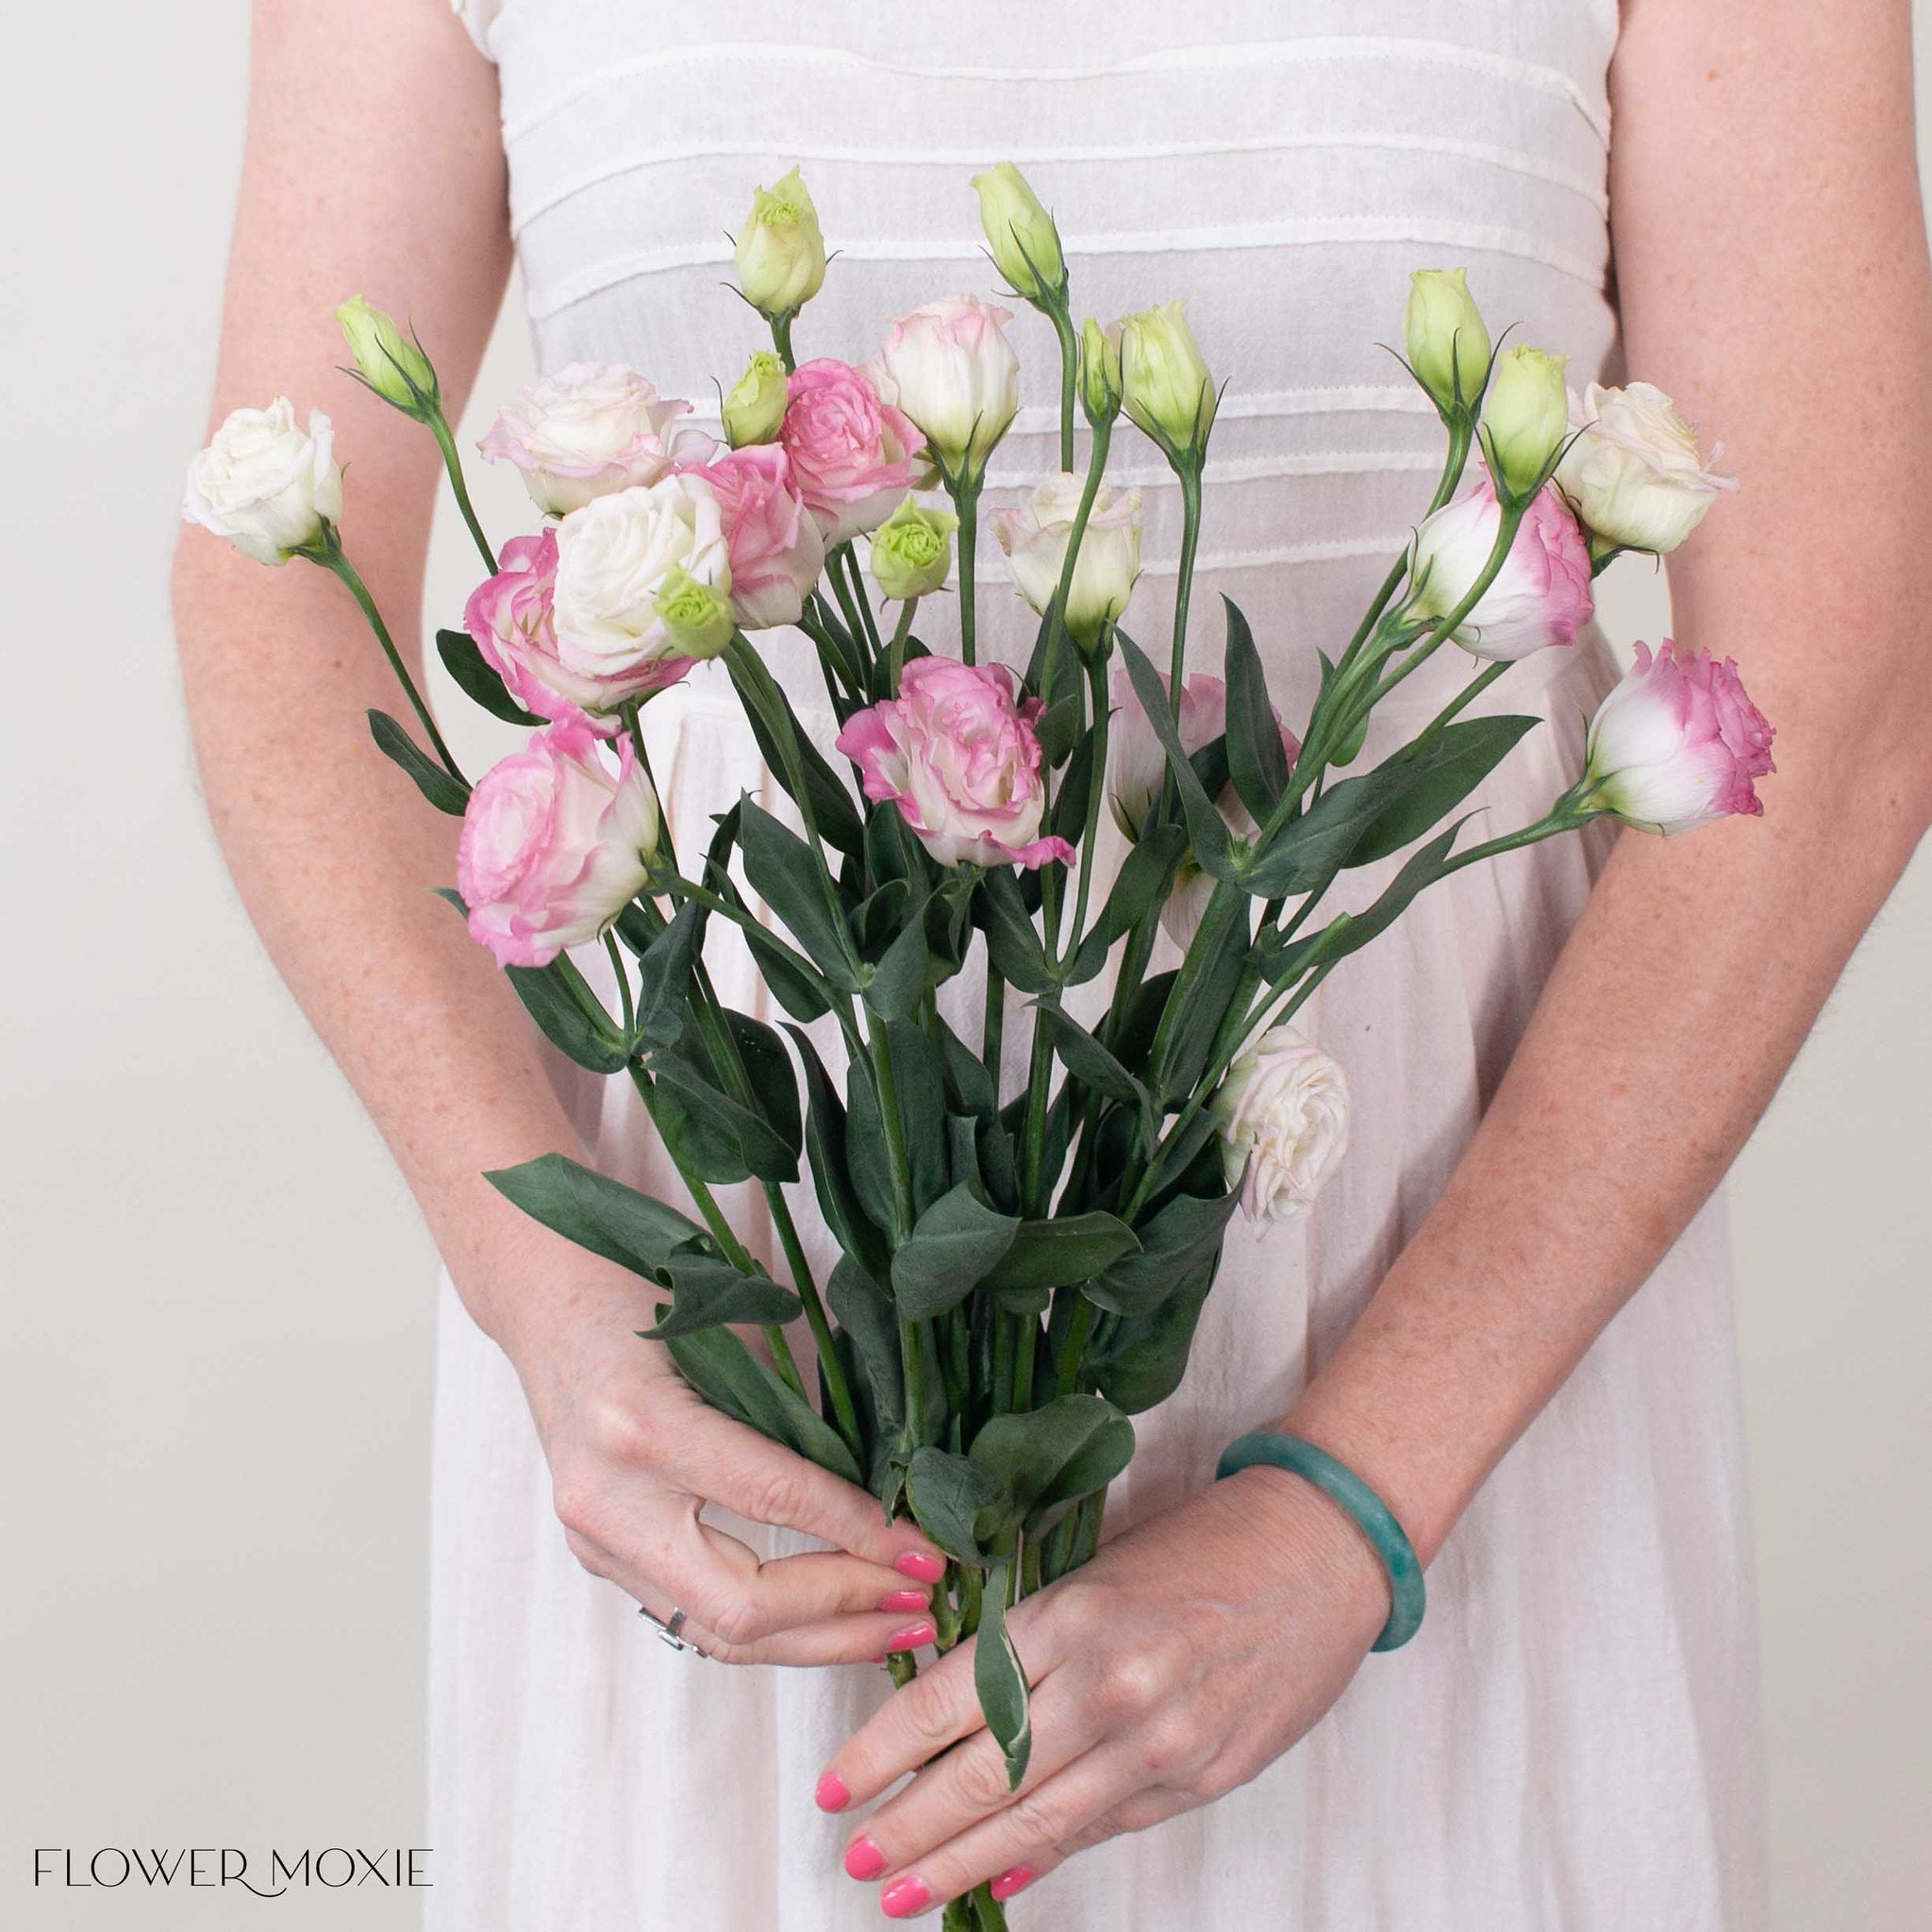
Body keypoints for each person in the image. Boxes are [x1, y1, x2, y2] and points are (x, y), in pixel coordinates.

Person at [173, 3, 1931, 1926]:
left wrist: (1352, 1497)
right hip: (756, 1363)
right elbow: (274, 586)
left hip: (1440, 1316)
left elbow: (1836, 691)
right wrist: (551, 1277)